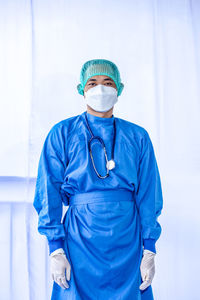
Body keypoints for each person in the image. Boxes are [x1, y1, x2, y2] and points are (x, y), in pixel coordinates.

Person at [33, 58, 163, 300]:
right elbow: (48, 191)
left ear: (119, 89)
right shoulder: (62, 133)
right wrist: (56, 249)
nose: (100, 89)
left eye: (107, 82)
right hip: (79, 237)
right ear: (82, 89)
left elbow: (149, 194)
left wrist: (149, 250)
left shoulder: (138, 136)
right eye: (92, 83)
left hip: (127, 236)